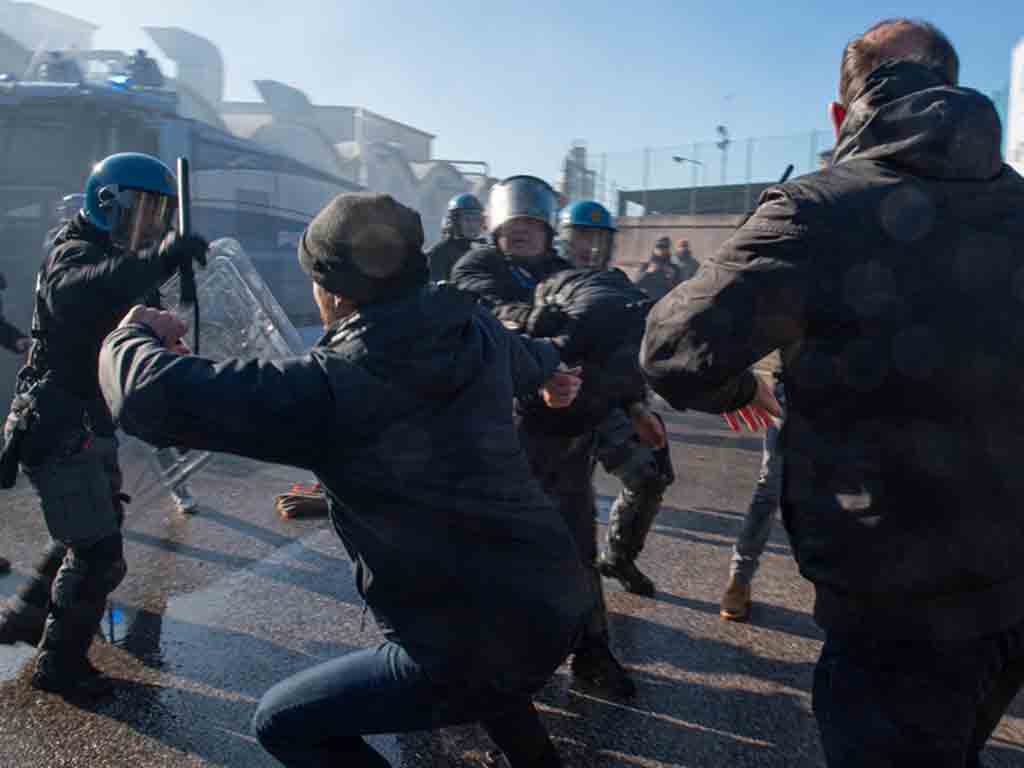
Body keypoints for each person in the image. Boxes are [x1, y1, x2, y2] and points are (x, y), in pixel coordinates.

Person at [641, 18, 1024, 767]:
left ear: (841, 117)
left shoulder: (817, 207)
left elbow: (672, 349)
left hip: (897, 604)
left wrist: (740, 384)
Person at [98, 192, 591, 768]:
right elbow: (525, 351)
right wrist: (553, 375)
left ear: (332, 292)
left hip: (468, 638)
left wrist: (129, 335)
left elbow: (148, 398)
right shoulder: (468, 323)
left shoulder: (331, 387)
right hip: (555, 600)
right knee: (487, 666)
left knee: (285, 722)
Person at [0, 152, 209, 696]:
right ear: (105, 203)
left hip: (91, 420)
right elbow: (82, 292)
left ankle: (26, 615)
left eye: (160, 213)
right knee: (98, 553)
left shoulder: (125, 259)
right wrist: (158, 259)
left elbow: (136, 322)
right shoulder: (75, 252)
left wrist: (166, 337)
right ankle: (59, 666)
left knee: (91, 528)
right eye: (139, 209)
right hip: (57, 420)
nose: (150, 223)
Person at [452, 178, 637, 698]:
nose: (523, 232)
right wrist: (543, 331)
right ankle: (482, 660)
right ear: (497, 225)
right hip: (495, 432)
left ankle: (592, 651)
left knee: (576, 548)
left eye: (533, 224)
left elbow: (599, 332)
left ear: (546, 230)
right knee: (494, 547)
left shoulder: (564, 272)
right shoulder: (476, 266)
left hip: (561, 433)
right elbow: (483, 314)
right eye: (514, 223)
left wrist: (633, 402)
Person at [558, 200, 674, 596]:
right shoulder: (546, 282)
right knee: (565, 503)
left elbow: (631, 352)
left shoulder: (620, 284)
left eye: (598, 238)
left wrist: (638, 405)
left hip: (608, 404)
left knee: (649, 476)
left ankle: (619, 558)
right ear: (563, 240)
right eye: (580, 237)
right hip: (553, 412)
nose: (589, 247)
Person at [426, 193, 484, 282]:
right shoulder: (439, 252)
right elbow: (435, 288)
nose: (473, 225)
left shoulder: (484, 250)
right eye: (467, 219)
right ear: (455, 222)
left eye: (476, 220)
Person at [634, 237, 681, 301]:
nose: (661, 250)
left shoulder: (674, 268)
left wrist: (671, 277)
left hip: (666, 303)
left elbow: (679, 290)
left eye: (665, 247)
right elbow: (636, 285)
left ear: (668, 249)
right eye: (659, 246)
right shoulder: (645, 266)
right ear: (654, 249)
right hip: (648, 301)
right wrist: (648, 272)